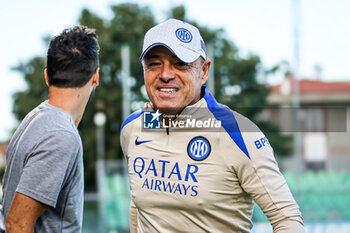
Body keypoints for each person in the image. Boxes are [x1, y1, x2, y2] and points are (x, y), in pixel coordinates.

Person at [120, 18, 304, 233]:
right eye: (154, 64)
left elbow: (287, 219)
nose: (166, 74)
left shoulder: (238, 133)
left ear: (204, 71)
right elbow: (138, 206)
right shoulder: (132, 128)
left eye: (180, 63)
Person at [1, 26, 99, 233]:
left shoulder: (34, 119)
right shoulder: (61, 136)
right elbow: (17, 223)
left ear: (47, 76)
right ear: (96, 76)